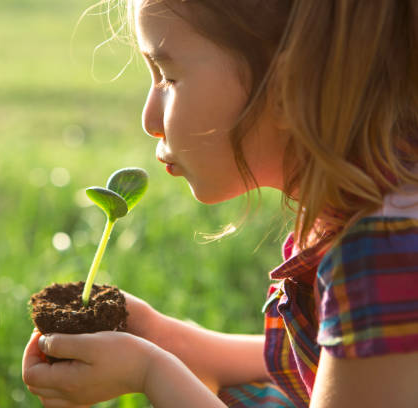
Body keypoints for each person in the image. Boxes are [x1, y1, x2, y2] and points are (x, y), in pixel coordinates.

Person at [22, 0, 418, 406]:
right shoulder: (379, 200)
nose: (148, 118)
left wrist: (151, 372)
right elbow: (335, 365)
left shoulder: (385, 251)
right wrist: (169, 339)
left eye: (169, 77)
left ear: (288, 88)